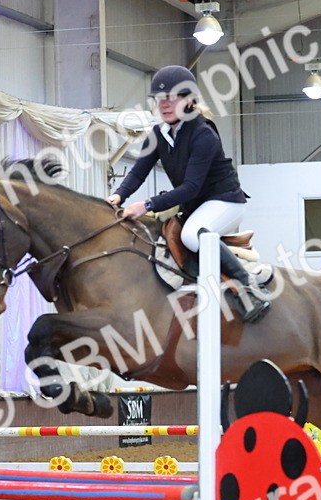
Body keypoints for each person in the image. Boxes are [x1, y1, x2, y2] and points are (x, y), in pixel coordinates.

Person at [106, 65, 270, 323]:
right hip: (196, 206)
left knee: (192, 235)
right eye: (160, 99)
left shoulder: (203, 133)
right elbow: (138, 172)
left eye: (173, 98)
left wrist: (147, 205)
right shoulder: (158, 134)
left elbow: (191, 187)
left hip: (224, 201)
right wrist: (118, 196)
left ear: (190, 100)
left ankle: (249, 287)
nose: (165, 105)